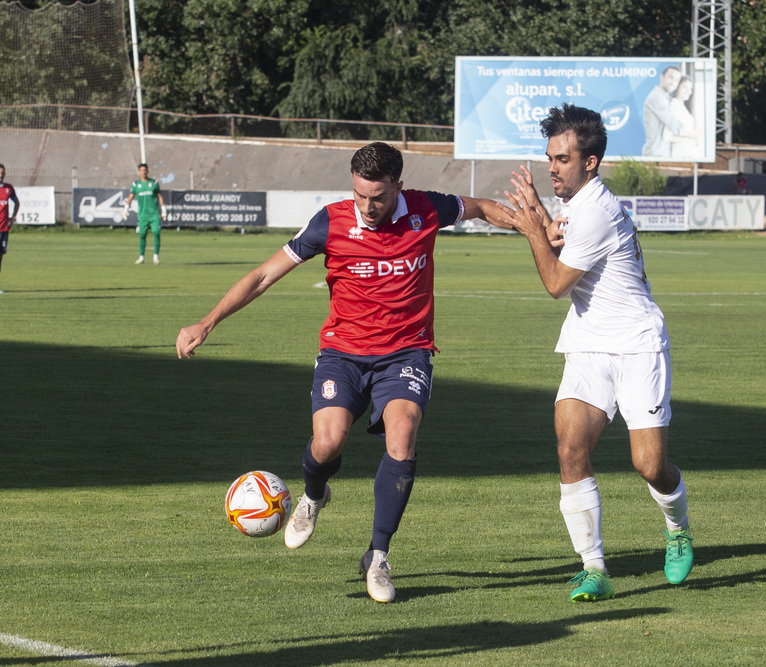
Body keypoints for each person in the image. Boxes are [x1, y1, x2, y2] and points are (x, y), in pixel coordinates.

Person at [175, 142, 512, 603]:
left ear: (397, 183)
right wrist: (207, 321)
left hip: (406, 353)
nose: (367, 207)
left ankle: (378, 556)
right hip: (343, 353)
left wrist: (536, 228)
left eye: (377, 197)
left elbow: (484, 208)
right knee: (328, 443)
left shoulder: (426, 208)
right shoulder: (330, 222)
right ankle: (314, 495)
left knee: (403, 435)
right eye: (359, 196)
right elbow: (264, 275)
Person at [503, 104, 693, 602]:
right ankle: (595, 569)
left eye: (562, 159)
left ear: (590, 162)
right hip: (588, 346)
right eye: (550, 158)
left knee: (651, 466)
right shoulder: (582, 205)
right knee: (570, 449)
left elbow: (554, 283)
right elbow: (559, 236)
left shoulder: (598, 212)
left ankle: (678, 529)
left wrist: (531, 229)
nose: (552, 167)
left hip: (636, 347)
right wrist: (542, 218)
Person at [123, 163, 166, 265]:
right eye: (141, 170)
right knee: (142, 235)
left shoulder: (154, 183)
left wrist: (163, 209)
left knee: (156, 233)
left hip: (154, 214)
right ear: (139, 172)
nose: (143, 172)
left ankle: (156, 257)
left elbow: (159, 196)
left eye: (145, 170)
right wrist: (125, 209)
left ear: (148, 171)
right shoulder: (135, 184)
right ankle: (141, 257)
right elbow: (130, 197)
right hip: (142, 215)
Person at [641, 66, 685, 159]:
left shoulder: (667, 99)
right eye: (671, 77)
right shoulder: (656, 97)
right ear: (662, 77)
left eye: (677, 80)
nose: (673, 82)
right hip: (655, 155)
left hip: (662, 154)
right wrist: (695, 135)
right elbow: (676, 127)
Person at [0, 163, 20, 293]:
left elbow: (17, 202)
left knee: (0, 258)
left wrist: (12, 218)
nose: (1, 176)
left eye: (2, 173)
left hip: (3, 229)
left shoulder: (8, 188)